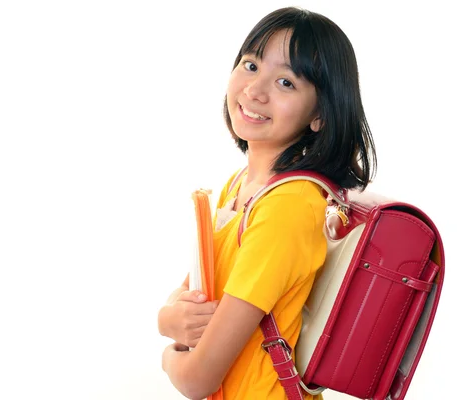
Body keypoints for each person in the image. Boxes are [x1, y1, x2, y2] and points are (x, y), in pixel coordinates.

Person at [158, 6, 377, 400]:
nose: (255, 91)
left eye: (287, 83)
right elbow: (188, 299)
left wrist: (167, 354)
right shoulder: (240, 185)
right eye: (251, 64)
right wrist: (168, 318)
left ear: (320, 116)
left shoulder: (287, 206)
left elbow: (197, 379)